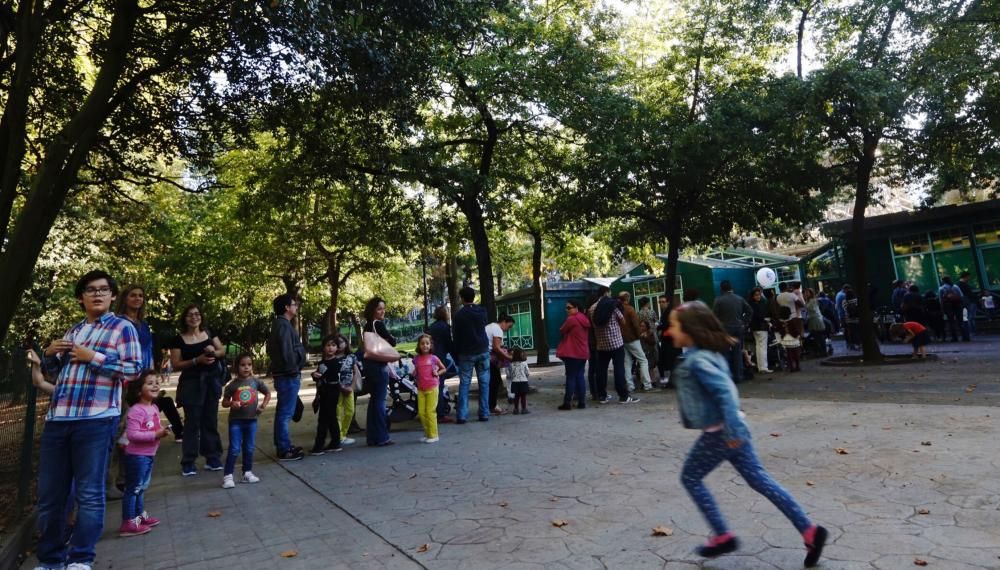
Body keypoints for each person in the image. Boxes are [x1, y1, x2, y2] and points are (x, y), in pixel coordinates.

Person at [667, 302, 827, 566]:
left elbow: (725, 392)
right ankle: (810, 531)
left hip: (722, 434)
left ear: (690, 329)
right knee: (761, 481)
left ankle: (722, 536)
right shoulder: (709, 353)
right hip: (734, 429)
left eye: (674, 325)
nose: (670, 331)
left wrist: (731, 432)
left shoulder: (698, 361)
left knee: (690, 477)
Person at [36, 270, 142, 570]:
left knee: (90, 493)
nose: (97, 294)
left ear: (111, 295)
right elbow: (61, 376)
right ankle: (50, 560)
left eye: (104, 289)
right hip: (58, 419)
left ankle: (81, 557)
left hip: (96, 420)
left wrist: (93, 356)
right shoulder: (72, 331)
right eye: (90, 290)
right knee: (50, 495)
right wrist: (49, 356)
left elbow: (134, 369)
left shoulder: (123, 328)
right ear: (81, 297)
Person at [116, 287, 183, 440]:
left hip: (144, 375)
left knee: (144, 411)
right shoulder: (118, 322)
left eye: (140, 295)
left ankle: (140, 448)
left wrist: (152, 376)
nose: (137, 298)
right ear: (124, 299)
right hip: (126, 376)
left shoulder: (144, 324)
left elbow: (149, 349)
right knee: (125, 416)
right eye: (133, 295)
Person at [169, 305, 226, 475]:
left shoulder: (208, 333)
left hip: (211, 382)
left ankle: (212, 457)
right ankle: (188, 461)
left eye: (197, 314)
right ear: (184, 318)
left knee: (210, 420)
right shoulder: (178, 339)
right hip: (191, 384)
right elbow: (176, 364)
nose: (194, 317)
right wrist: (196, 360)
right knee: (192, 422)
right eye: (190, 315)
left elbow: (221, 350)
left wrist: (213, 353)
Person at [119, 371, 169, 537]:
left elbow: (152, 428)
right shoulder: (136, 410)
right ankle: (128, 522)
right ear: (139, 390)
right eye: (150, 383)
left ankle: (139, 517)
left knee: (141, 488)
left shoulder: (153, 407)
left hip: (149, 454)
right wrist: (155, 435)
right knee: (133, 489)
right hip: (137, 456)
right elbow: (132, 435)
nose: (155, 385)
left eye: (156, 382)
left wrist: (161, 432)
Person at [221, 354, 271, 488]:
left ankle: (247, 473)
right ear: (237, 367)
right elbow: (224, 402)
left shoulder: (256, 382)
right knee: (234, 448)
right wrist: (232, 403)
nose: (246, 367)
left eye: (249, 364)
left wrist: (263, 406)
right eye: (243, 365)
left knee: (249, 448)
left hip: (252, 421)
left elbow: (268, 393)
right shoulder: (232, 385)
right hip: (236, 421)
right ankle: (228, 476)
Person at [266, 294, 306, 459]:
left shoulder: (282, 324)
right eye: (293, 304)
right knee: (285, 413)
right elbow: (286, 350)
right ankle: (284, 448)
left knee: (284, 412)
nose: (296, 306)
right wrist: (293, 370)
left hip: (287, 374)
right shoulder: (283, 326)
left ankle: (284, 445)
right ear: (286, 308)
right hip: (288, 375)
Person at [588, 287, 638, 404]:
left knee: (601, 370)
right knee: (619, 369)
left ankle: (602, 396)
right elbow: (623, 321)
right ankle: (623, 396)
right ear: (606, 293)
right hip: (616, 343)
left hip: (601, 345)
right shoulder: (613, 306)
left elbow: (592, 325)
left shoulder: (592, 309)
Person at [452, 287, 492, 423]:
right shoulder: (482, 311)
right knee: (484, 382)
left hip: (466, 352)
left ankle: (462, 415)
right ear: (474, 297)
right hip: (482, 350)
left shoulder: (459, 315)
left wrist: (456, 353)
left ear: (462, 298)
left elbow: (456, 337)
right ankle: (484, 413)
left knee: (464, 383)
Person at [362, 296, 398, 445]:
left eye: (383, 308)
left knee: (374, 401)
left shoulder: (367, 325)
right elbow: (393, 341)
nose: (382, 311)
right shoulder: (378, 324)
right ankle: (381, 437)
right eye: (379, 309)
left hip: (369, 365)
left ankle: (373, 436)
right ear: (373, 310)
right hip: (378, 365)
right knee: (379, 402)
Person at [310, 336, 345, 455]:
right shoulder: (322, 362)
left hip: (332, 391)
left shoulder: (337, 362)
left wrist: (318, 375)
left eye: (333, 345)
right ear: (324, 347)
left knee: (325, 419)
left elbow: (329, 376)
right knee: (330, 418)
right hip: (323, 392)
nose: (330, 348)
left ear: (337, 348)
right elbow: (318, 376)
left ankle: (319, 446)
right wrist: (314, 375)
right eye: (328, 345)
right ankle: (334, 442)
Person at [712, 281, 751, 383]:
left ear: (721, 288)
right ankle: (738, 376)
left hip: (725, 329)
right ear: (731, 288)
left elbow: (714, 316)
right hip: (738, 327)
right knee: (737, 352)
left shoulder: (718, 300)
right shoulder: (739, 298)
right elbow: (749, 311)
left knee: (724, 352)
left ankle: (727, 376)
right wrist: (744, 322)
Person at [556, 299, 590, 410]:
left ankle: (567, 403)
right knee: (580, 377)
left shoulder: (572, 319)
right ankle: (582, 402)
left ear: (576, 308)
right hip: (583, 353)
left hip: (572, 353)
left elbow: (561, 330)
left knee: (570, 377)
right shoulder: (584, 318)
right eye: (566, 308)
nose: (567, 310)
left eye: (569, 307)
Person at [412, 334, 445, 443]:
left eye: (427, 343)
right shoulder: (416, 359)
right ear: (419, 345)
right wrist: (414, 373)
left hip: (432, 387)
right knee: (421, 412)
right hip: (421, 388)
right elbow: (416, 371)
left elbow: (443, 368)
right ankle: (427, 434)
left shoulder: (434, 358)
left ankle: (434, 435)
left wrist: (437, 372)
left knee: (430, 411)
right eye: (422, 343)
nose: (425, 345)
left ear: (431, 345)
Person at [328, 335, 360, 445]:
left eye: (342, 342)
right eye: (337, 342)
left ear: (346, 343)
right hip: (336, 389)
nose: (340, 344)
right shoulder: (332, 358)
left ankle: (343, 433)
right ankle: (339, 436)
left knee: (350, 412)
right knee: (337, 412)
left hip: (348, 388)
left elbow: (355, 372)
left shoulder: (351, 356)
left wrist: (351, 386)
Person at [618, 291, 653, 391]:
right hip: (632, 338)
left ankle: (630, 386)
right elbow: (635, 324)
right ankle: (647, 385)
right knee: (643, 360)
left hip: (621, 339)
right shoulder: (630, 309)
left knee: (627, 363)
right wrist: (640, 335)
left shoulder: (617, 309)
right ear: (628, 298)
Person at [427, 306, 456, 424]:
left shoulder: (431, 327)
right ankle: (440, 414)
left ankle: (431, 410)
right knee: (439, 385)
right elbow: (448, 344)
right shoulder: (445, 327)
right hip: (440, 358)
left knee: (432, 385)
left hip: (430, 358)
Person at [486, 315, 515, 413]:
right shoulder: (498, 330)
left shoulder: (491, 326)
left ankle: (488, 405)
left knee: (490, 382)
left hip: (484, 357)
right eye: (509, 326)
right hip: (489, 358)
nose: (508, 329)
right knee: (494, 382)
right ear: (503, 322)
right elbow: (496, 347)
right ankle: (492, 406)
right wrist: (508, 357)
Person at [747, 288, 772, 374]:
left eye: (759, 294)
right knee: (763, 347)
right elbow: (761, 316)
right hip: (762, 327)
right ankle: (764, 367)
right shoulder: (760, 304)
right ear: (753, 296)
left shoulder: (750, 304)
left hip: (754, 328)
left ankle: (760, 367)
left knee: (758, 347)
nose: (758, 296)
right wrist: (767, 321)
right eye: (756, 295)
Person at [938, 277, 969, 342]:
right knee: (960, 321)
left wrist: (942, 309)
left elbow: (941, 300)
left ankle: (954, 337)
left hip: (948, 306)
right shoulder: (955, 286)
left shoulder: (941, 288)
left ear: (943, 281)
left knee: (951, 322)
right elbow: (961, 296)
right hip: (958, 305)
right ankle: (965, 336)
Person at [779, 306, 803, 372]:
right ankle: (797, 366)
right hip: (793, 337)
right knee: (796, 352)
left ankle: (791, 367)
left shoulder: (780, 321)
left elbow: (780, 330)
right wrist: (798, 335)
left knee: (789, 353)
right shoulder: (792, 320)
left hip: (785, 338)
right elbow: (795, 329)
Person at [803, 289, 826, 356]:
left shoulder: (813, 300)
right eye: (805, 293)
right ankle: (821, 352)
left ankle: (823, 352)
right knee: (817, 337)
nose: (806, 294)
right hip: (813, 320)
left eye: (808, 293)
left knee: (819, 337)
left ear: (811, 293)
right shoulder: (809, 301)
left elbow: (812, 309)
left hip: (816, 320)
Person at [508, 348, 531, 414]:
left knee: (516, 396)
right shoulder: (524, 363)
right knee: (523, 396)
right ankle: (524, 409)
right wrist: (525, 377)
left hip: (515, 381)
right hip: (523, 381)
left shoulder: (511, 364)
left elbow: (509, 374)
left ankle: (516, 409)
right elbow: (527, 373)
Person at [639, 320, 659, 385]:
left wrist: (646, 337)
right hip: (642, 352)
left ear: (647, 327)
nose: (642, 328)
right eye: (641, 326)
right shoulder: (639, 334)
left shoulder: (650, 333)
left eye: (643, 326)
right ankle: (644, 382)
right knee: (643, 368)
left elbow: (653, 342)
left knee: (651, 368)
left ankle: (653, 381)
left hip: (650, 352)